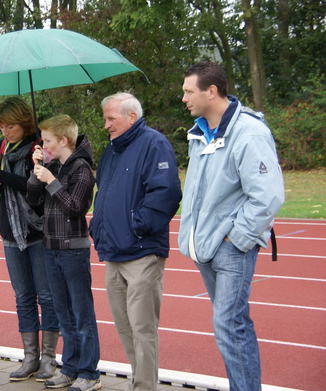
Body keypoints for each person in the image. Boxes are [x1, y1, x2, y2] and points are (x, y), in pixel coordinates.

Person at [179, 62, 284, 391]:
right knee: (230, 326)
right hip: (205, 246)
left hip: (231, 247)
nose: (183, 98)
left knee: (229, 324)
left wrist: (235, 238)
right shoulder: (198, 132)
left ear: (211, 92)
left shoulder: (249, 132)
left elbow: (268, 196)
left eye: (188, 91)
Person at [89, 93, 182, 391]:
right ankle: (139, 380)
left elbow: (166, 193)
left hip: (142, 251)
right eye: (105, 119)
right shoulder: (111, 151)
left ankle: (144, 386)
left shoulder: (154, 144)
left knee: (143, 328)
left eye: (110, 118)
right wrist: (100, 229)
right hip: (114, 251)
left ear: (131, 117)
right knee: (125, 327)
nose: (106, 125)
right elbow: (104, 193)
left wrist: (136, 227)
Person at [0, 97, 59, 382]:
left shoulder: (39, 148)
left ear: (24, 122)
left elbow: (33, 187)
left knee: (46, 296)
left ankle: (49, 359)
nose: (4, 132)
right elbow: (8, 189)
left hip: (37, 229)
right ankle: (30, 358)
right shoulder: (1, 147)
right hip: (10, 228)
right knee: (23, 296)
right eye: (1, 127)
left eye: (9, 126)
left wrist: (1, 175)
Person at [26, 115, 101, 391]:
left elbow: (75, 208)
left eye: (46, 141)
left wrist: (51, 180)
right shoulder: (52, 165)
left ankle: (90, 373)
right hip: (51, 248)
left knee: (82, 313)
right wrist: (38, 170)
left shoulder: (81, 168)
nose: (43, 146)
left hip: (73, 250)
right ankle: (69, 368)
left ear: (63, 140)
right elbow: (32, 201)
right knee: (62, 313)